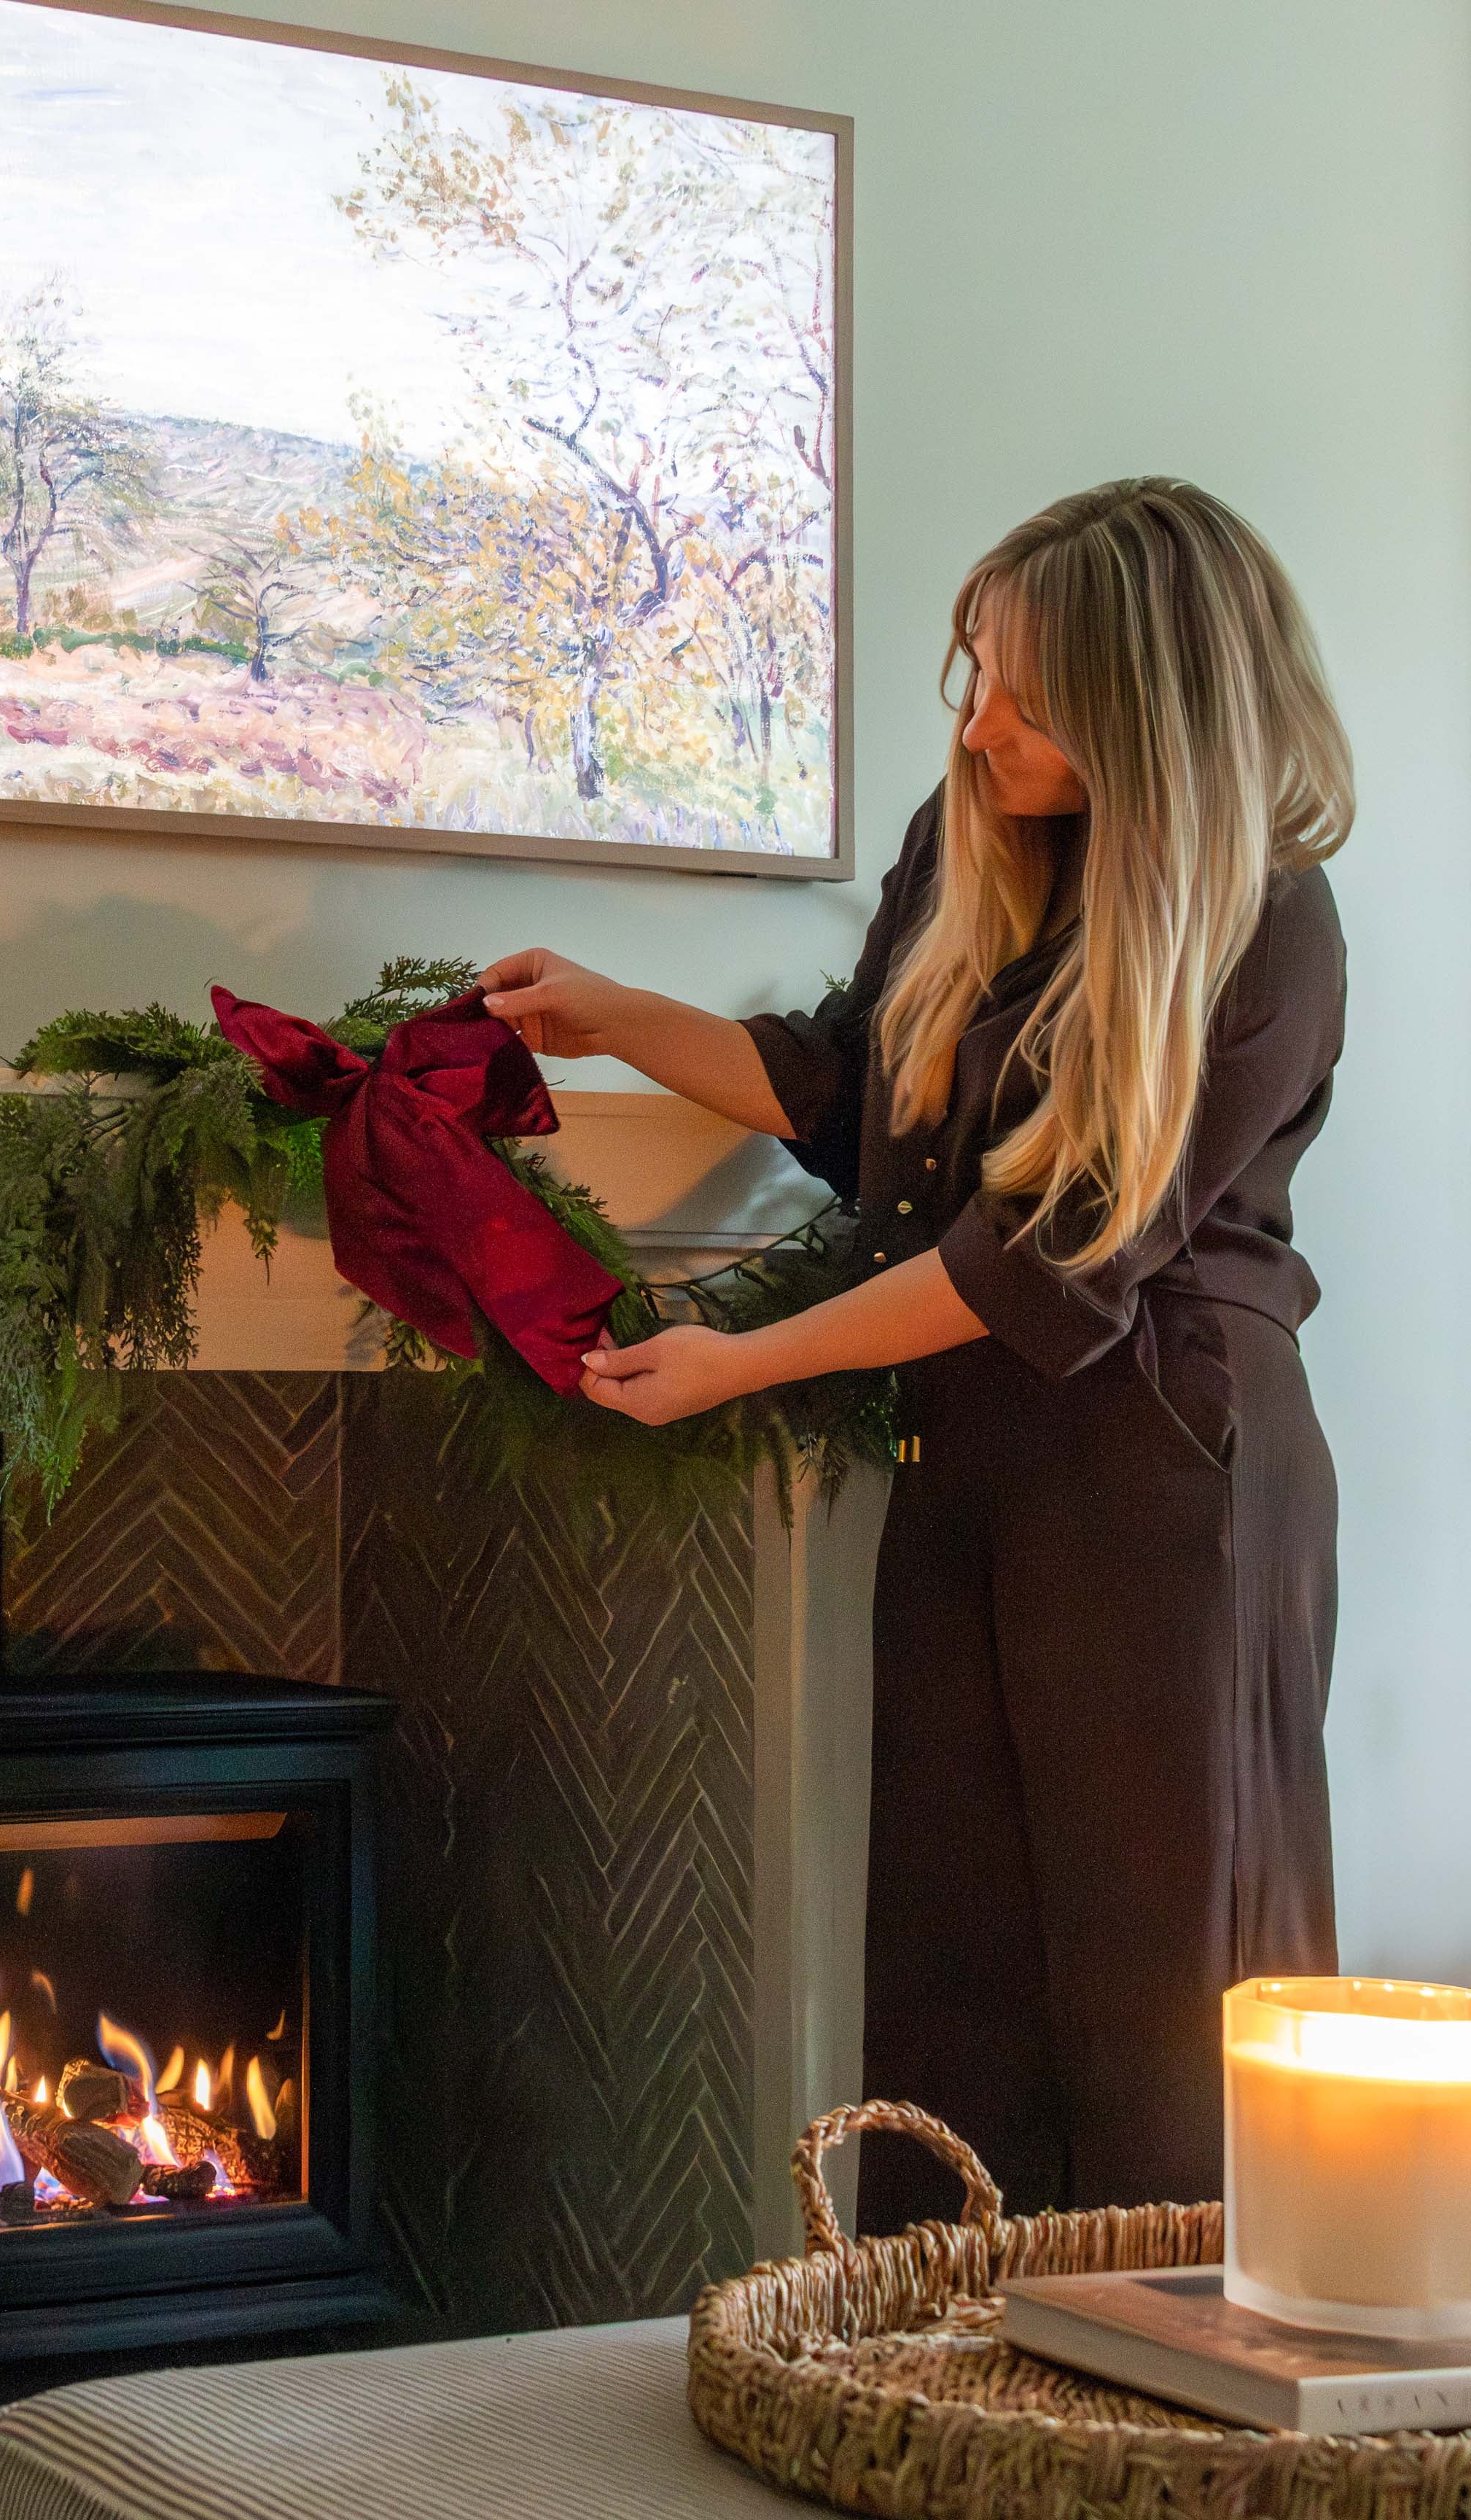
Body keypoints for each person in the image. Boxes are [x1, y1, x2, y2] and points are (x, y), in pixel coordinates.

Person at [481, 478, 1353, 2230]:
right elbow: (852, 1086)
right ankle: (948, 2386)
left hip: (1170, 1477)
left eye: (1030, 700)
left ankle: (1168, 2423)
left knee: (1154, 1991)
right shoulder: (979, 842)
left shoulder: (1264, 929)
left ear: (1148, 715)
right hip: (979, 1449)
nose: (982, 726)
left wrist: (748, 1360)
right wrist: (619, 1017)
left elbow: (1051, 1259)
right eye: (979, 677)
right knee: (956, 1964)